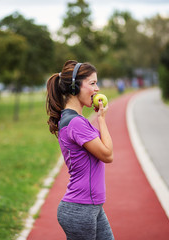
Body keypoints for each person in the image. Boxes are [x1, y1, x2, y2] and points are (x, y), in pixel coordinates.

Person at [46, 60, 115, 240]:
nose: (97, 89)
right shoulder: (76, 123)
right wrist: (101, 119)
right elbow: (107, 155)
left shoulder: (76, 119)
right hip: (80, 209)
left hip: (90, 206)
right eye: (92, 83)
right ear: (76, 88)